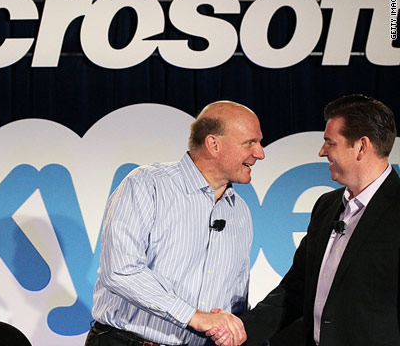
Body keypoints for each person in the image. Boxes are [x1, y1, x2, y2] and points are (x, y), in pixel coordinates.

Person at [211, 95, 399, 346]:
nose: (322, 152)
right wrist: (243, 330)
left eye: (329, 143)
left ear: (362, 147)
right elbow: (295, 290)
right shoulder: (326, 206)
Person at [85, 101, 265, 346]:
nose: (260, 153)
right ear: (214, 144)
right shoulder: (147, 184)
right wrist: (193, 317)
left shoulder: (240, 211)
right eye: (250, 143)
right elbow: (120, 271)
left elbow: (235, 301)